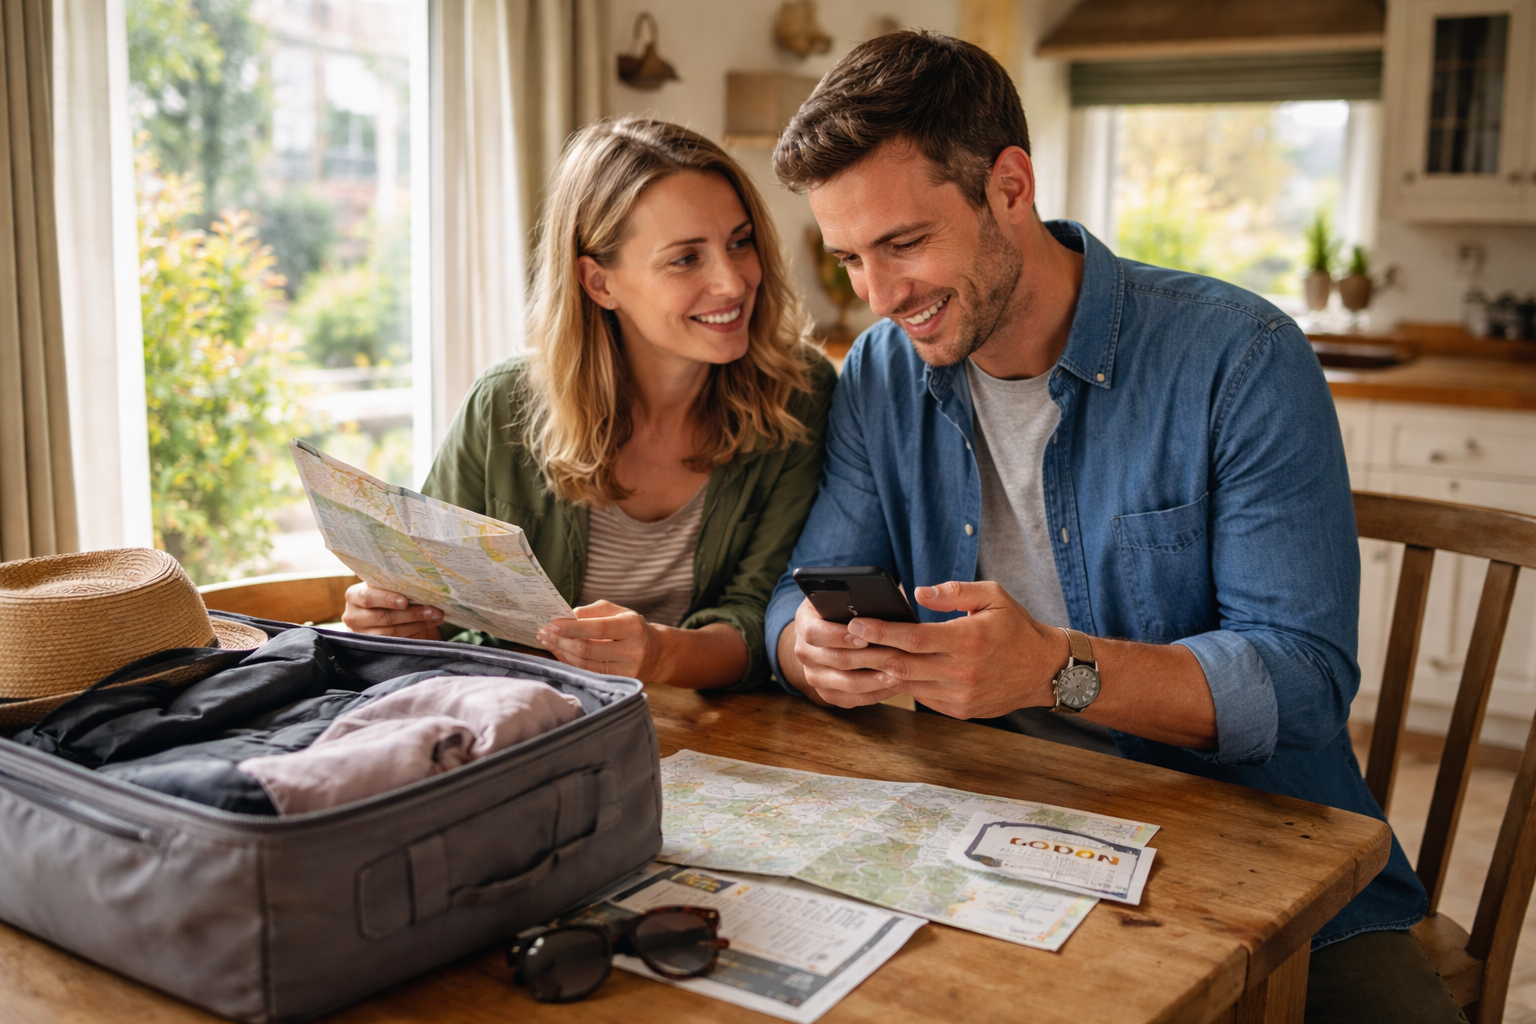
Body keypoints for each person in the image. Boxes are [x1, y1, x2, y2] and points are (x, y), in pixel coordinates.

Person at [764, 31, 1463, 1024]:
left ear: (1011, 185)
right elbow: (805, 586)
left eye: (905, 243)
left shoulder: (1240, 358)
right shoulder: (881, 373)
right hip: (998, 832)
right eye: (848, 258)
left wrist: (1054, 668)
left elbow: (1302, 680)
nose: (879, 297)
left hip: (1254, 850)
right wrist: (808, 647)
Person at [343, 118, 836, 692]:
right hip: (532, 726)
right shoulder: (502, 406)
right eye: (686, 259)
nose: (732, 282)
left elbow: (762, 621)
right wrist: (396, 622)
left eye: (740, 242)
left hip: (720, 738)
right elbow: (440, 617)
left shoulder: (799, 394)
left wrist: (657, 654)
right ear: (599, 283)